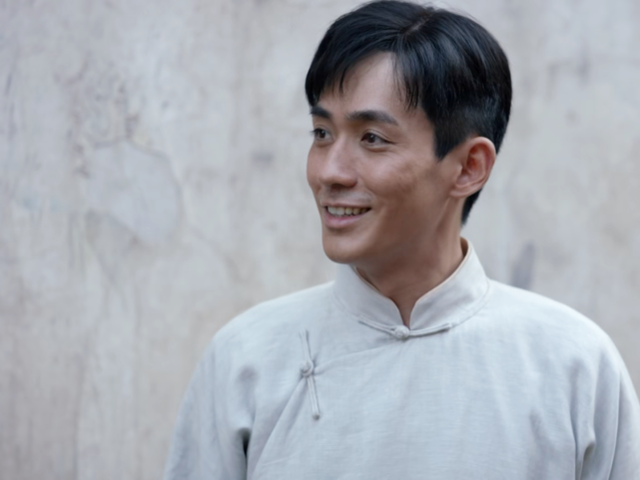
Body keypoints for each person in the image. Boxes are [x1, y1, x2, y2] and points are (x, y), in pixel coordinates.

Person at [164, 1, 640, 478]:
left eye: (372, 138)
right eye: (322, 133)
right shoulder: (245, 360)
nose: (329, 171)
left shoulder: (573, 366)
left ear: (468, 167)